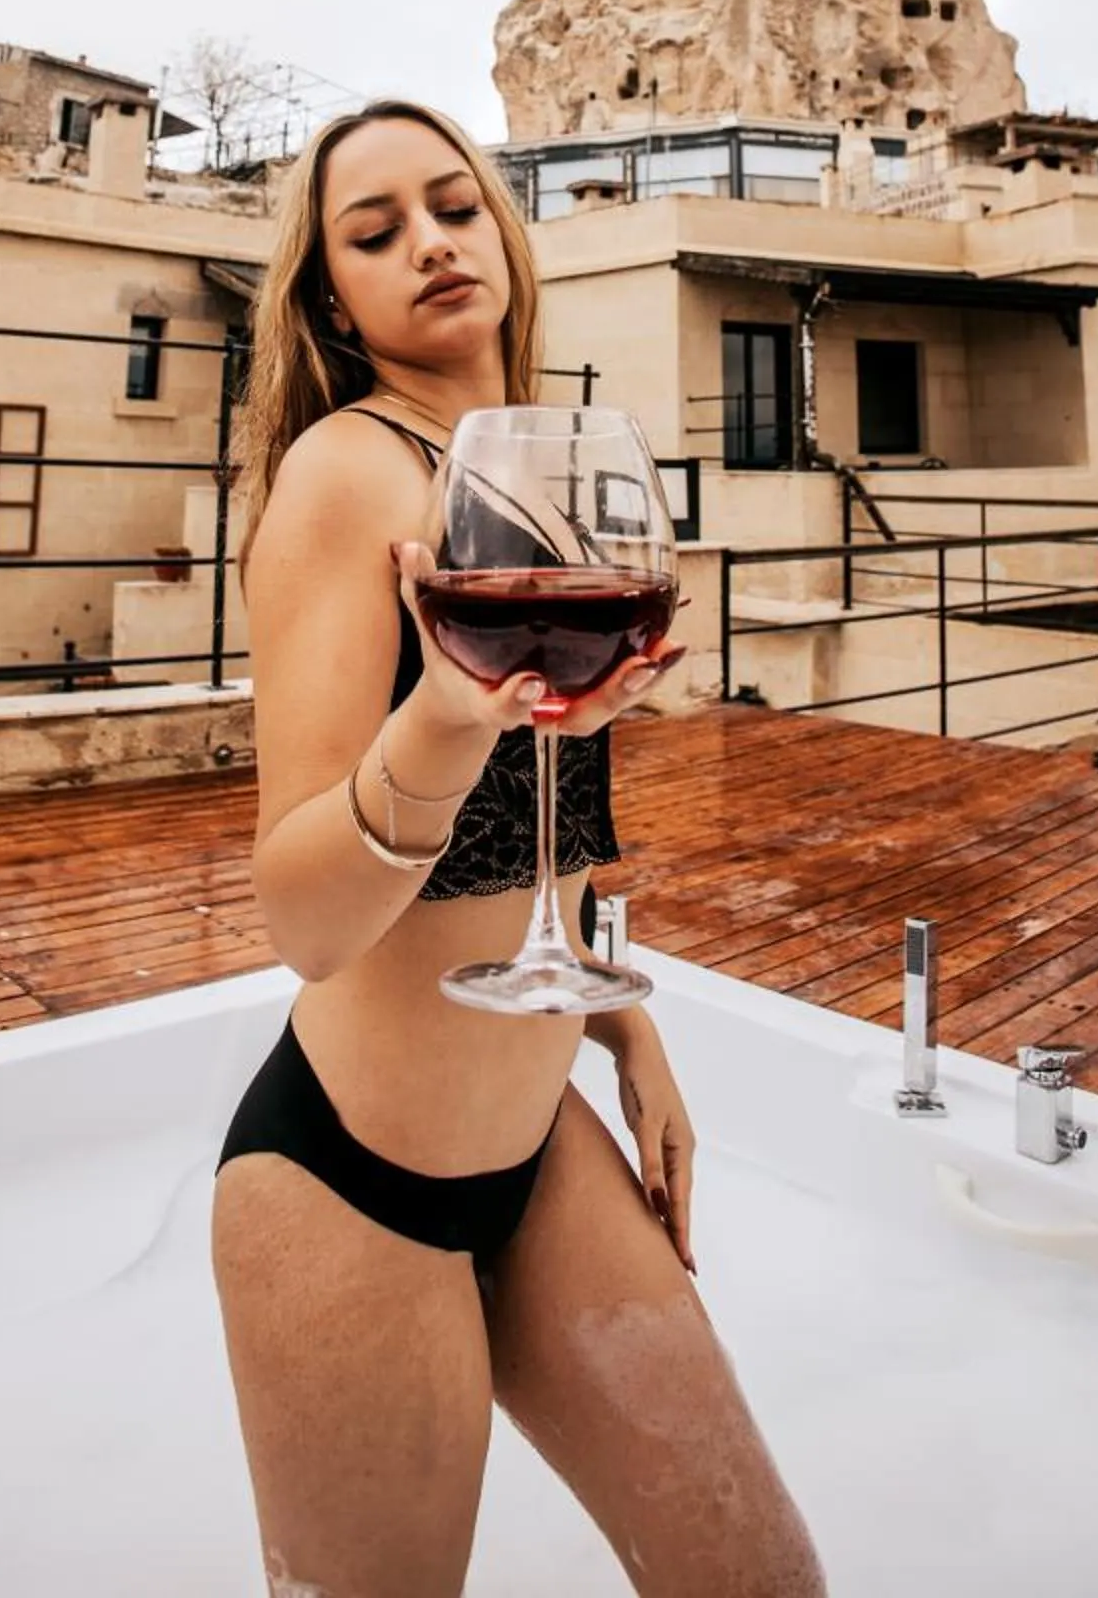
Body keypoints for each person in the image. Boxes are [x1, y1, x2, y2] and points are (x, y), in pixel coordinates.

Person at [212, 99, 826, 1598]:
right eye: (375, 233)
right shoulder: (351, 478)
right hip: (352, 1181)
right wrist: (444, 714)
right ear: (332, 303)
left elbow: (541, 844)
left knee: (760, 1583)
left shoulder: (533, 468)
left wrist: (623, 1028)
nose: (428, 243)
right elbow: (303, 912)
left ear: (505, 231)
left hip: (540, 1145)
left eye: (454, 206)